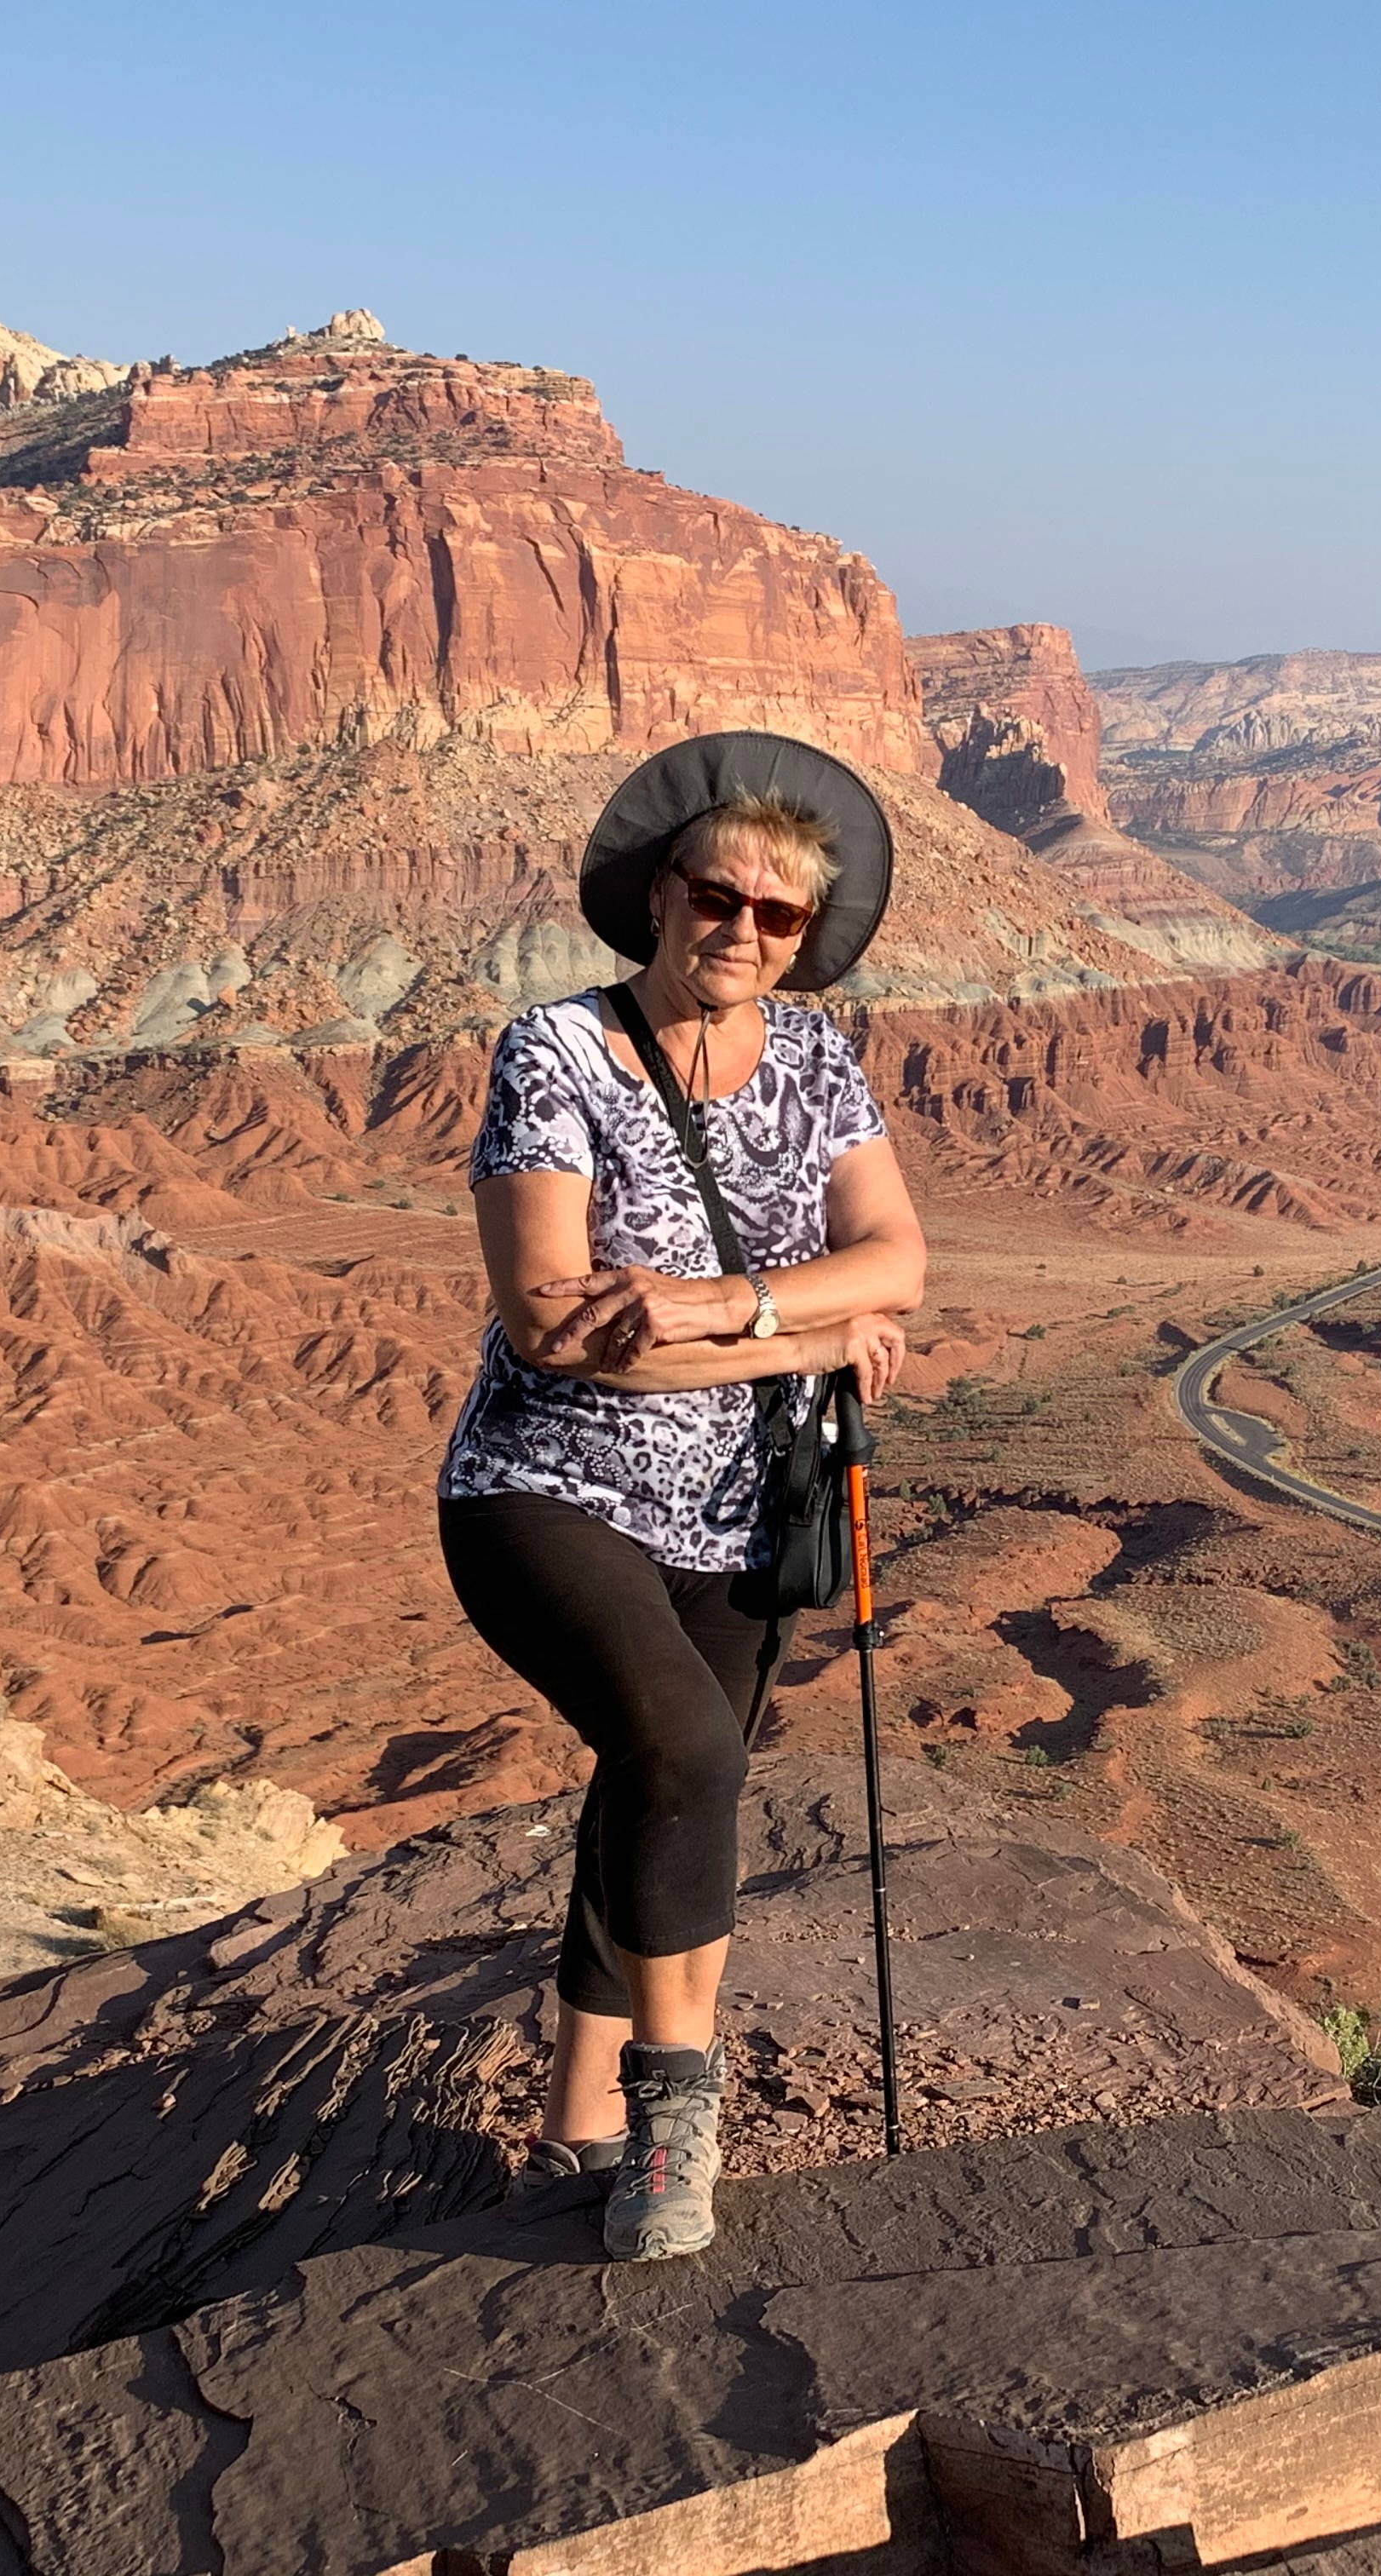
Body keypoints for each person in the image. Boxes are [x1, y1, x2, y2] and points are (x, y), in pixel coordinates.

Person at [435, 733, 924, 2262]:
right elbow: (552, 1329)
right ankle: (672, 2116)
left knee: (652, 1784)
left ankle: (571, 2130)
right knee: (687, 1746)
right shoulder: (555, 1053)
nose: (744, 934)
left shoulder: (817, 1061)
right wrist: (816, 1328)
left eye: (780, 919)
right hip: (542, 1484)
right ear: (661, 895)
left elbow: (900, 1259)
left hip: (736, 1506)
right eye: (719, 898)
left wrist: (720, 1309)